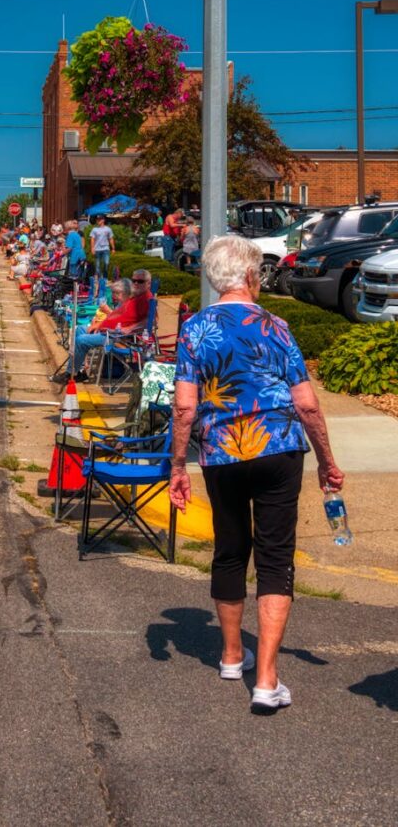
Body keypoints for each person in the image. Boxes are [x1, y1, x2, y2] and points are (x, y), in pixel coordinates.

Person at [169, 235, 345, 715]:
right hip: (278, 449)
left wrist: (177, 465)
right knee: (274, 556)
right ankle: (267, 679)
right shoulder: (277, 327)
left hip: (222, 452)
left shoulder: (194, 329)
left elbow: (185, 407)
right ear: (250, 277)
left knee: (229, 549)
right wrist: (327, 461)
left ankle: (230, 656)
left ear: (213, 278)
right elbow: (306, 403)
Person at [53, 269, 152, 383]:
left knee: (81, 340)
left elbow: (151, 321)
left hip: (117, 336)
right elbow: (115, 314)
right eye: (134, 280)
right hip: (106, 330)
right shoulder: (134, 297)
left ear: (148, 283)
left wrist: (129, 329)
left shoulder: (147, 299)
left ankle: (69, 374)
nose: (135, 284)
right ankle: (80, 371)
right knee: (80, 329)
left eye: (140, 281)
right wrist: (99, 324)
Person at [89, 214, 115, 300]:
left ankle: (105, 278)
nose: (98, 221)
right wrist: (92, 248)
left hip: (106, 248)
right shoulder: (94, 229)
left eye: (100, 219)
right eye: (97, 220)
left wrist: (113, 248)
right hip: (97, 249)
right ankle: (100, 279)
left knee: (106, 263)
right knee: (97, 266)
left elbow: (111, 238)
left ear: (103, 220)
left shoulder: (108, 229)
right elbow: (92, 239)